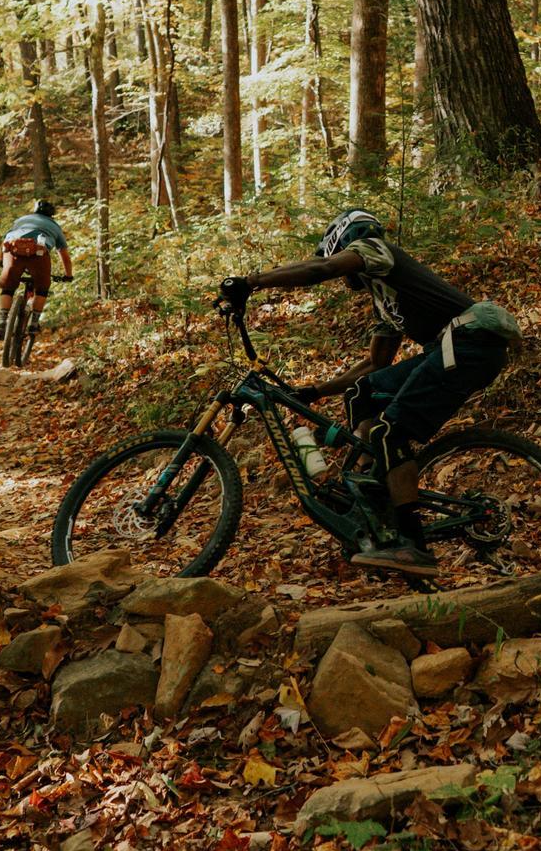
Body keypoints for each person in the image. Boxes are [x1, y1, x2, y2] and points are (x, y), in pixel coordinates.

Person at [219, 208, 520, 577]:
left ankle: (413, 547)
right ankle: (374, 494)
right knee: (365, 391)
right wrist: (315, 391)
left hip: (469, 343)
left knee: (389, 431)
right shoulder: (387, 299)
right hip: (456, 349)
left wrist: (252, 281)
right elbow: (376, 365)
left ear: (344, 241)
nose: (339, 269)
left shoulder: (375, 249)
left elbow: (321, 270)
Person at [0, 200, 73, 340]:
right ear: (52, 215)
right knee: (42, 289)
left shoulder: (21, 220)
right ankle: (33, 324)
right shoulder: (54, 227)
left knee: (7, 288)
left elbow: (5, 241)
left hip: (13, 252)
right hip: (38, 255)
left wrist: (1, 261)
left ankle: (2, 322)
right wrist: (68, 275)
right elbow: (64, 256)